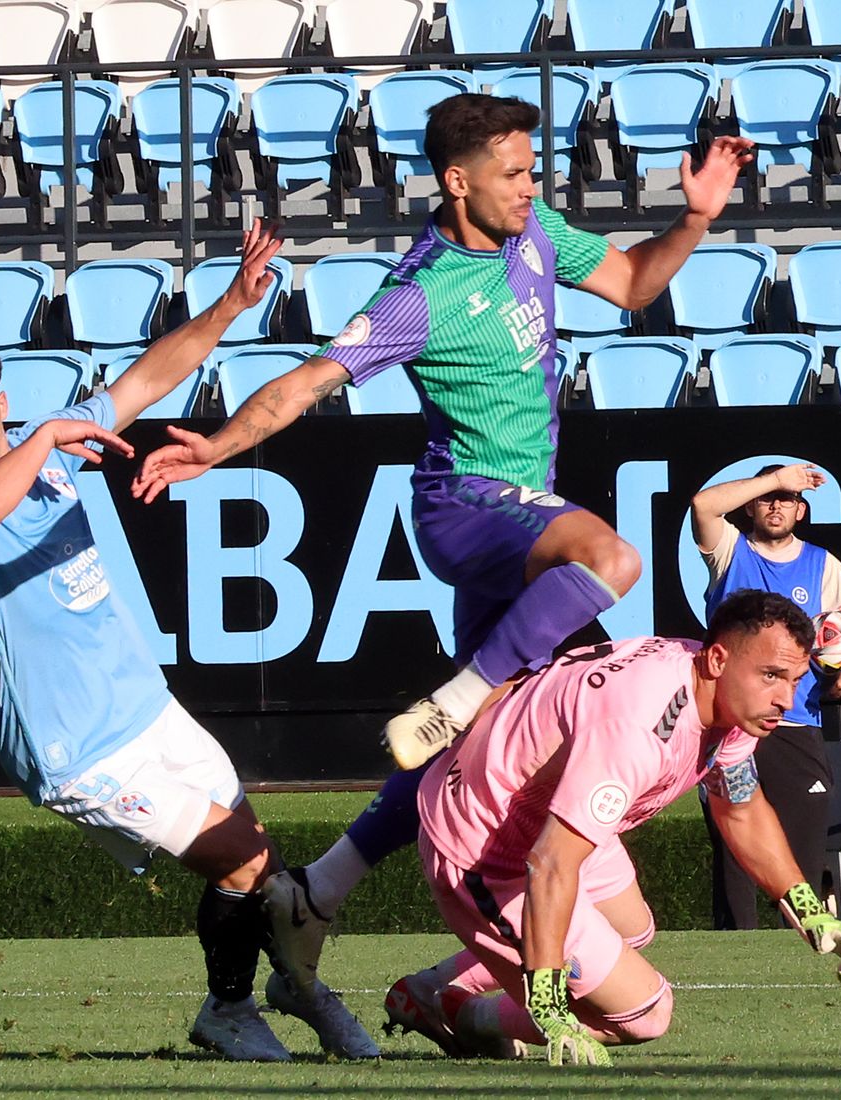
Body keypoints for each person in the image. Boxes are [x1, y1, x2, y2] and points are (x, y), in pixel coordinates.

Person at [131, 92, 752, 992]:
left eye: (532, 169)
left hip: (520, 522)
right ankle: (459, 699)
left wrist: (695, 217)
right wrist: (219, 447)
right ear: (457, 181)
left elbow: (633, 283)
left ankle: (319, 891)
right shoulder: (420, 291)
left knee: (495, 743)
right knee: (610, 562)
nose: (529, 186)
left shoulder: (534, 232)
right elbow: (309, 382)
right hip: (465, 506)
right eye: (512, 173)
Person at [0, 222, 377, 1063]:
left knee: (259, 866)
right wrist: (46, 437)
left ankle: (291, 991)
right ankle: (231, 1011)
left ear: (1, 402)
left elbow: (149, 376)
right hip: (74, 747)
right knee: (241, 861)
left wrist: (231, 303)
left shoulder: (44, 454)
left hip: (144, 709)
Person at [391, 590, 841, 1065]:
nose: (785, 698)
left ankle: (431, 986)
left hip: (547, 809)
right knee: (645, 1013)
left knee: (631, 927)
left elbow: (738, 806)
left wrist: (809, 911)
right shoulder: (640, 728)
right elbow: (550, 862)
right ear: (719, 659)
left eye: (794, 679)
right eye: (772, 676)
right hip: (487, 845)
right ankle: (465, 1013)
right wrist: (549, 1009)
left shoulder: (721, 689)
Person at [690, 464, 841, 930]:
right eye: (768, 498)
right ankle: (736, 957)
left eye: (787, 500)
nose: (777, 505)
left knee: (800, 858)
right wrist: (778, 478)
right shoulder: (729, 551)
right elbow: (702, 505)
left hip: (795, 724)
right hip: (730, 724)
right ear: (751, 505)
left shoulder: (820, 564)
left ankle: (803, 955)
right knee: (733, 858)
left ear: (801, 512)